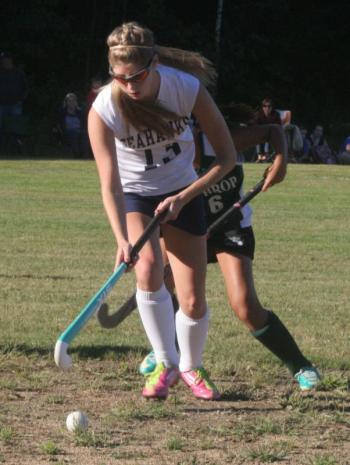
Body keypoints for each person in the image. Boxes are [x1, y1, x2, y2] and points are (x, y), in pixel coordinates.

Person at [88, 21, 245, 401]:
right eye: (120, 77)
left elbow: (225, 159)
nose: (130, 86)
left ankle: (191, 366)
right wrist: (121, 239)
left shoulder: (186, 89)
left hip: (184, 193)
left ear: (154, 64)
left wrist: (184, 196)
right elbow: (109, 183)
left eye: (137, 76)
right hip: (137, 195)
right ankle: (165, 362)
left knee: (192, 299)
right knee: (147, 268)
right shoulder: (104, 108)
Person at [140, 114, 321, 392]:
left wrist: (281, 160)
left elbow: (273, 131)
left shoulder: (220, 138)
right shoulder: (165, 155)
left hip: (228, 229)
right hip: (185, 228)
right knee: (159, 282)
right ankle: (167, 349)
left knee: (245, 304)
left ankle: (300, 365)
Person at [0, 51, 28, 146]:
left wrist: (21, 99)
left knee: (17, 129)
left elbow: (25, 87)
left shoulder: (18, 72)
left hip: (15, 104)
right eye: (3, 59)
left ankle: (18, 148)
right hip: (1, 104)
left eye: (6, 59)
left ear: (10, 60)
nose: (4, 61)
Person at [58, 92, 88, 157]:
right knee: (73, 134)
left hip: (79, 131)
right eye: (69, 101)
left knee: (84, 134)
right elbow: (60, 124)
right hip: (68, 131)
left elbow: (84, 124)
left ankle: (84, 154)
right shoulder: (63, 112)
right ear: (66, 102)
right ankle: (76, 154)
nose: (71, 103)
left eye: (73, 101)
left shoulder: (80, 112)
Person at [254, 97, 282, 162]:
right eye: (264, 106)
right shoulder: (258, 114)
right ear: (262, 107)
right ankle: (259, 156)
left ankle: (266, 156)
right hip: (261, 133)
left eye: (269, 106)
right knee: (257, 139)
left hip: (272, 134)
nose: (267, 108)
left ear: (271, 107)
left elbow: (279, 125)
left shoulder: (276, 114)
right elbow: (255, 124)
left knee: (267, 140)